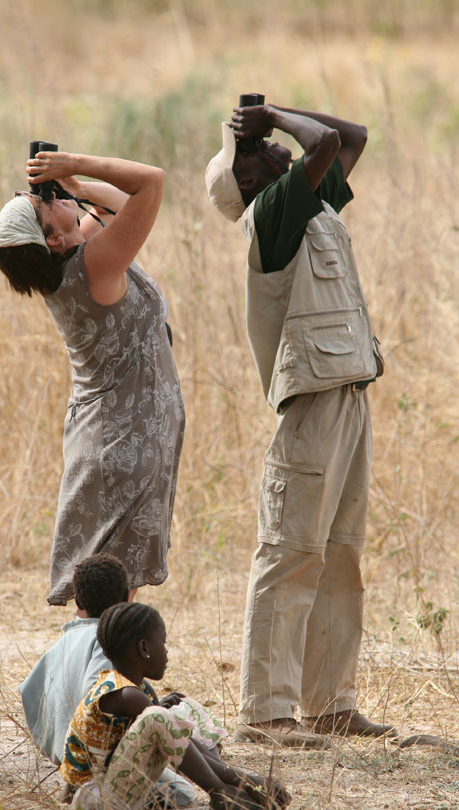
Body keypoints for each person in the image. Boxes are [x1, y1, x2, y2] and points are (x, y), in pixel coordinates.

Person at [205, 100, 396, 746]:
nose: (273, 148)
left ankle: (330, 702)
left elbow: (352, 136)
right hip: (312, 399)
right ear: (251, 181)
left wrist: (269, 113)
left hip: (347, 389)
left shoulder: (312, 207)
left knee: (340, 554)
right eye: (257, 151)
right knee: (291, 551)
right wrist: (276, 117)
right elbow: (317, 147)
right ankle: (264, 711)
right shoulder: (276, 210)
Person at [0, 149, 185, 605]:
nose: (48, 194)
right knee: (114, 597)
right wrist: (72, 164)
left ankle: (98, 673)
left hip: (108, 440)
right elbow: (150, 181)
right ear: (53, 239)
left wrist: (73, 189)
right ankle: (106, 674)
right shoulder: (94, 266)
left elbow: (115, 204)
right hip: (126, 443)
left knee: (106, 593)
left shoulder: (76, 263)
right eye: (42, 202)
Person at [60, 602, 291, 810]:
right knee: (160, 717)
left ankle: (227, 790)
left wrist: (247, 780)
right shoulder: (126, 695)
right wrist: (247, 780)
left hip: (107, 788)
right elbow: (165, 727)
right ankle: (221, 794)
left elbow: (184, 740)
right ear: (144, 647)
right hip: (95, 797)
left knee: (177, 717)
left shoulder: (136, 689)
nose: (167, 651)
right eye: (164, 641)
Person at [19, 552, 195, 808]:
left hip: (70, 757)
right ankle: (98, 795)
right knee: (181, 792)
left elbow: (28, 691)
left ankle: (78, 782)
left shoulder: (63, 641)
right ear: (126, 596)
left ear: (78, 599)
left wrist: (57, 746)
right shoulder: (106, 643)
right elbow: (97, 695)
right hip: (97, 761)